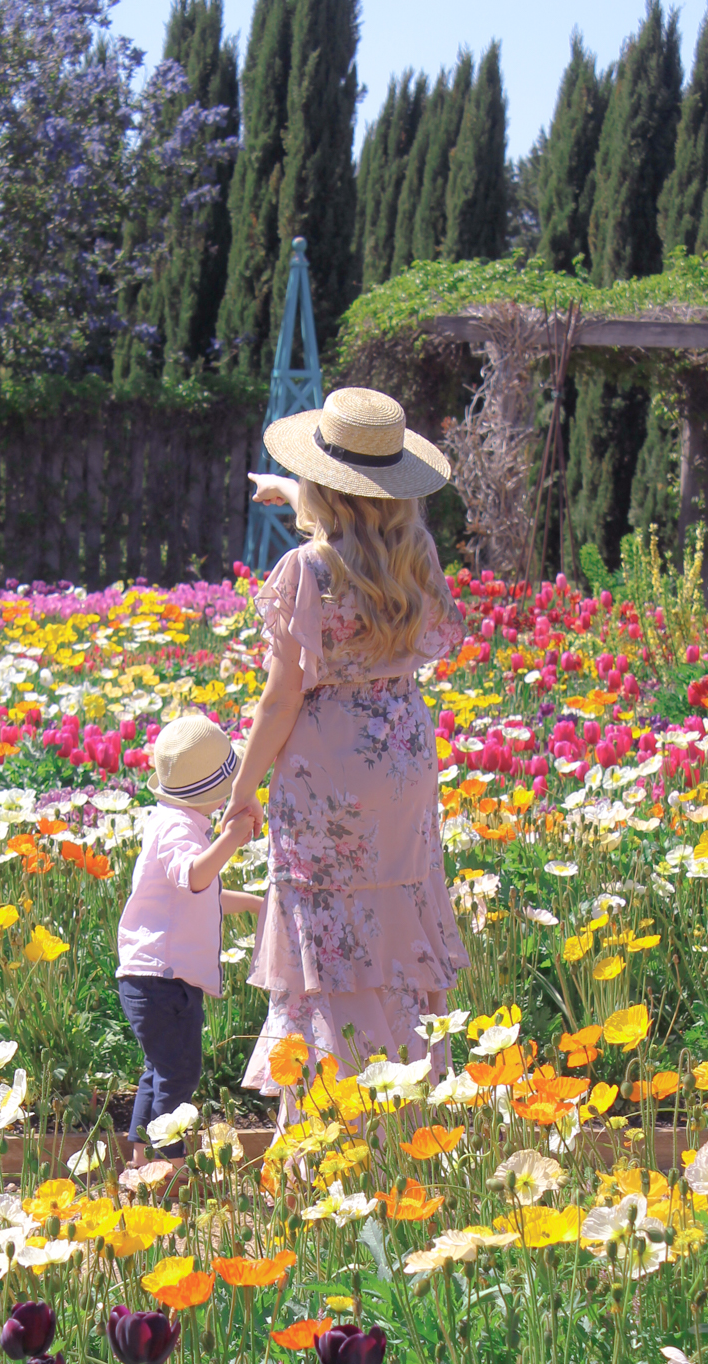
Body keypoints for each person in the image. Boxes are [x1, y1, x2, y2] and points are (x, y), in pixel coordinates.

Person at [222, 386, 470, 1116]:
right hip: (399, 757)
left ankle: (326, 1123)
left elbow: (281, 697)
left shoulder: (308, 568)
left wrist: (241, 786)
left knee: (325, 933)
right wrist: (289, 491)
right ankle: (404, 1106)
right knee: (396, 919)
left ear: (322, 485)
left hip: (326, 767)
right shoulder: (415, 550)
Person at [116, 716, 262, 1164]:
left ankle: (141, 1159)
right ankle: (170, 1163)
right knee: (179, 1074)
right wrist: (233, 838)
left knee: (158, 1072)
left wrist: (258, 904)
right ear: (217, 791)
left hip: (149, 976)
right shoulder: (179, 829)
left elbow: (208, 893)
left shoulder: (174, 821)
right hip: (164, 980)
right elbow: (197, 877)